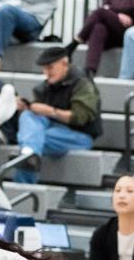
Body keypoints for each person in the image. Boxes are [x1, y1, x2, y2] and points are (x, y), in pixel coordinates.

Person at [14, 46, 103, 184]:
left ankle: (27, 160)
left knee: (30, 140)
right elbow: (35, 122)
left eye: (50, 67)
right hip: (50, 132)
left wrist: (51, 111)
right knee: (28, 117)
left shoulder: (82, 83)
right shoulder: (44, 87)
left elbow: (80, 117)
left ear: (64, 63)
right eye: (44, 68)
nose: (46, 73)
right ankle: (29, 155)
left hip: (79, 135)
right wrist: (27, 108)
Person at [64, 0, 134, 76]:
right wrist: (117, 15)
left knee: (100, 13)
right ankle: (90, 71)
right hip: (115, 33)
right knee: (99, 28)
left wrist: (111, 10)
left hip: (133, 33)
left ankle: (73, 45)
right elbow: (105, 6)